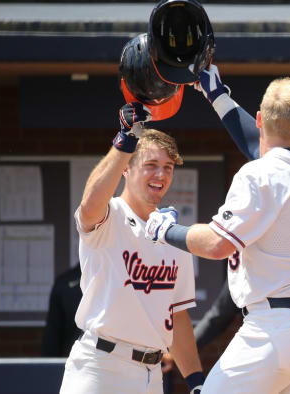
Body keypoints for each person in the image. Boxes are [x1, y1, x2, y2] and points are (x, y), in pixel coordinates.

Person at [145, 72, 290, 393]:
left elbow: (216, 245)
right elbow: (261, 144)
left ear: (259, 118)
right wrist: (217, 94)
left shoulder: (257, 174)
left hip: (274, 330)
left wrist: (164, 229)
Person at [59, 104, 204, 394]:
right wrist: (125, 139)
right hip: (100, 367)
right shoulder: (110, 213)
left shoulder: (172, 232)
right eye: (151, 165)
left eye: (168, 167)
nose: (160, 175)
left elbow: (177, 316)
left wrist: (197, 381)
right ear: (126, 168)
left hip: (151, 374)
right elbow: (89, 207)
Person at [41, 263, 83, 357]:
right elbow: (52, 336)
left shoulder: (117, 279)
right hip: (71, 362)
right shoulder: (65, 283)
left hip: (113, 361)